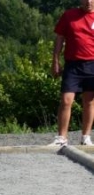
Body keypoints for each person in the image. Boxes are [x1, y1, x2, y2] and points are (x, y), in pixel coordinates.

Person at [49, 0, 94, 146]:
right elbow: (59, 38)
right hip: (73, 65)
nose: (89, 2)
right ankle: (62, 137)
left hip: (92, 64)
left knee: (89, 101)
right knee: (66, 100)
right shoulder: (69, 15)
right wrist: (55, 60)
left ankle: (85, 136)